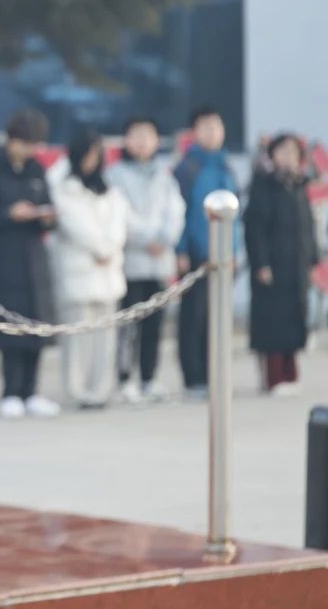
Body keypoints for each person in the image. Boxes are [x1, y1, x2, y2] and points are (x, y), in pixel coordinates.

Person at [0, 108, 61, 419]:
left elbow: (49, 208)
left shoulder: (37, 169)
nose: (29, 150)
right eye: (25, 143)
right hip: (3, 259)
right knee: (10, 328)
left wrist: (46, 217)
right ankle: (10, 392)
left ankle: (31, 391)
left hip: (34, 257)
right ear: (11, 140)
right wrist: (9, 213)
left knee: (36, 326)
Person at [48, 127, 128, 409]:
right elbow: (72, 221)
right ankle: (78, 390)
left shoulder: (108, 187)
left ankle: (101, 390)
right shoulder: (62, 185)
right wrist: (100, 248)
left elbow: (119, 219)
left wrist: (110, 247)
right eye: (88, 153)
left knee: (106, 337)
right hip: (80, 268)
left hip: (107, 271)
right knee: (78, 336)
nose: (92, 160)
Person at [107, 118, 185, 403]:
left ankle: (149, 378)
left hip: (159, 262)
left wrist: (165, 238)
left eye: (148, 136)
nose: (142, 141)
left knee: (155, 326)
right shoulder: (115, 175)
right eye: (136, 135)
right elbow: (118, 213)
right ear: (126, 140)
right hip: (131, 263)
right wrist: (147, 238)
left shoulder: (164, 175)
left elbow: (176, 211)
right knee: (128, 325)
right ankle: (125, 378)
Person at [244, 134, 320, 396]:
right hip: (272, 266)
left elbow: (308, 226)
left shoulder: (299, 186)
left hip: (296, 265)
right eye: (282, 151)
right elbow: (255, 229)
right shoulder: (263, 184)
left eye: (293, 152)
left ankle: (291, 373)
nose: (288, 157)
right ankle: (274, 376)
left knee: (295, 318)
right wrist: (261, 263)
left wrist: (313, 260)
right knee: (272, 321)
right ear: (272, 155)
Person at [174, 107, 238, 400]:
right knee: (194, 318)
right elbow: (179, 212)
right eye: (205, 127)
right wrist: (181, 249)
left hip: (224, 255)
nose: (212, 132)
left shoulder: (226, 167)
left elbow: (236, 216)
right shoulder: (187, 169)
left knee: (218, 318)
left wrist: (234, 250)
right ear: (195, 132)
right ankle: (194, 378)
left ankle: (215, 375)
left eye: (216, 126)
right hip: (196, 254)